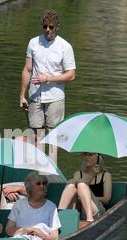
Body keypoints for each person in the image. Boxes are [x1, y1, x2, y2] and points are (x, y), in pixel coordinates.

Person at [19, 10, 76, 164]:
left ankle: (51, 173)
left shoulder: (65, 46)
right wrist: (22, 95)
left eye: (51, 27)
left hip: (55, 97)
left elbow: (71, 75)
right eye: (45, 27)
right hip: (35, 96)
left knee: (52, 137)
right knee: (36, 136)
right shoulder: (33, 42)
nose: (48, 30)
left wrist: (48, 79)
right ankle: (38, 172)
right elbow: (27, 69)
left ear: (57, 26)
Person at [5, 171, 61, 240]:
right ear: (30, 187)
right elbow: (9, 230)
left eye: (44, 183)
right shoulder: (19, 204)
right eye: (38, 183)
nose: (42, 186)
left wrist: (40, 235)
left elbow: (54, 237)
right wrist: (27, 230)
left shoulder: (51, 207)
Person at [58, 153, 112, 222]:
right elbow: (75, 195)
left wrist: (85, 197)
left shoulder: (105, 175)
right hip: (78, 209)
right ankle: (59, 215)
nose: (86, 157)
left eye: (90, 155)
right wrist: (92, 175)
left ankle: (89, 219)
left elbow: (106, 200)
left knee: (81, 185)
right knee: (72, 183)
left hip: (96, 209)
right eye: (85, 155)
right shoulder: (78, 173)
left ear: (99, 158)